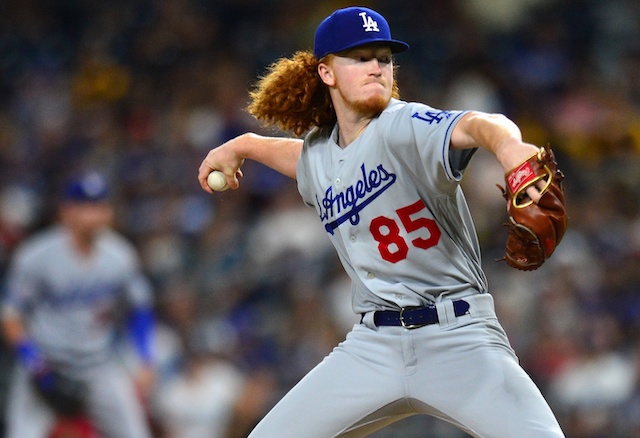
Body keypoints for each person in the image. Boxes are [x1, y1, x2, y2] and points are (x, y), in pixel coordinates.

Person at [198, 6, 565, 437]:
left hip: (459, 339)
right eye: (360, 57)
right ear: (327, 73)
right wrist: (246, 143)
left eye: (384, 58)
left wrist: (508, 149)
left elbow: (481, 123)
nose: (376, 67)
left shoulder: (403, 124)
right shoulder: (320, 154)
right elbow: (306, 160)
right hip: (374, 346)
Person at [1, 171, 156, 438]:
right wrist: (35, 363)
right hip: (46, 364)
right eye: (86, 207)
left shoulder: (120, 256)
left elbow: (139, 308)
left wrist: (145, 358)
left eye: (100, 206)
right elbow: (11, 315)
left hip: (98, 366)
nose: (95, 215)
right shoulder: (36, 256)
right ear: (66, 211)